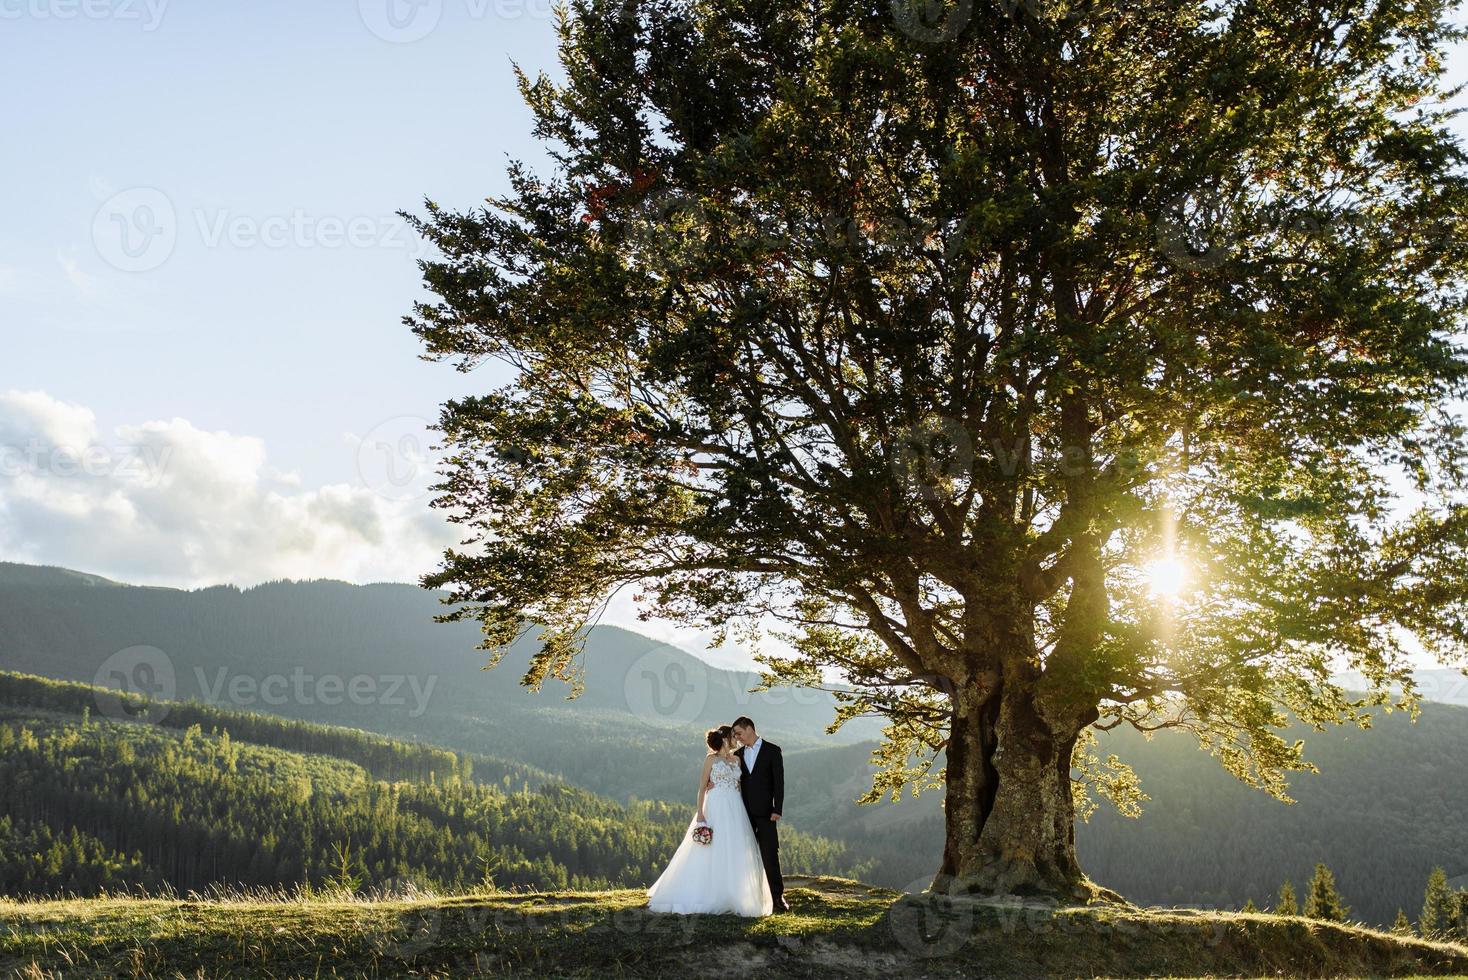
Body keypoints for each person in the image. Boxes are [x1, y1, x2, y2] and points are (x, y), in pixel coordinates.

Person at [646, 725, 773, 916]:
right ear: (724, 739)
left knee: (734, 848)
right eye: (733, 736)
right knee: (711, 848)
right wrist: (700, 813)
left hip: (735, 807)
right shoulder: (711, 760)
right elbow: (702, 787)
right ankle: (705, 892)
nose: (736, 740)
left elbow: (740, 787)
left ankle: (734, 893)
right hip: (715, 806)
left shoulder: (737, 760)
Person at [732, 716, 787, 913]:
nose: (737, 738)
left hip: (766, 813)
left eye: (738, 733)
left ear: (749, 729)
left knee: (770, 853)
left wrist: (777, 809)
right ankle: (751, 896)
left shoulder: (773, 750)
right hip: (743, 813)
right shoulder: (737, 754)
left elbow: (778, 783)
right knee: (746, 855)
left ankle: (777, 897)